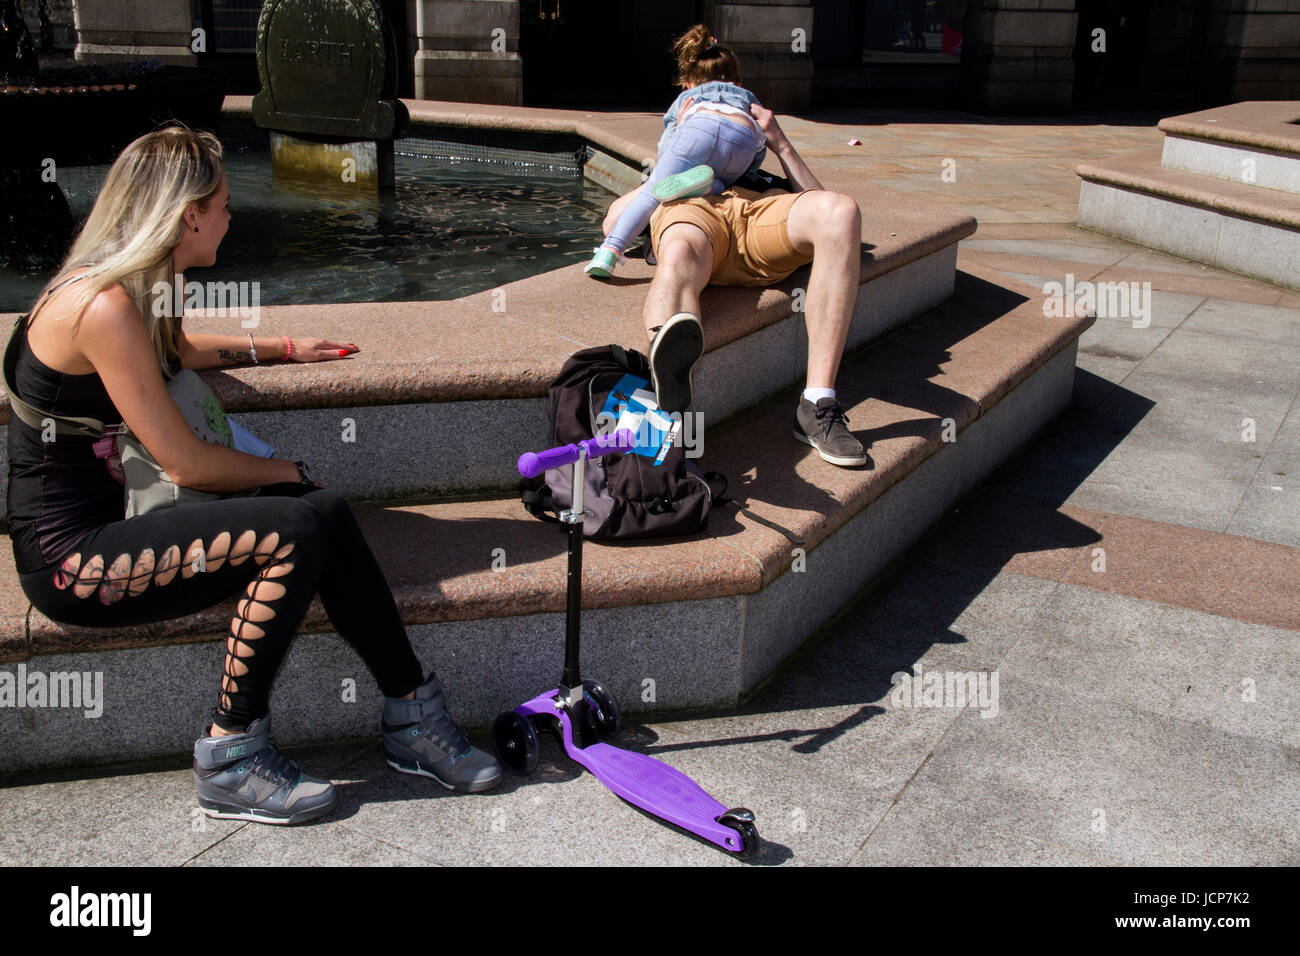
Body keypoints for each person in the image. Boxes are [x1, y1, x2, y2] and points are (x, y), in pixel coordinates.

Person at [4, 124, 503, 825]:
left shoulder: (139, 285)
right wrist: (283, 468)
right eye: (225, 203)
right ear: (188, 216)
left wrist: (282, 347)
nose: (232, 216)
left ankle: (410, 715)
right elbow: (184, 460)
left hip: (117, 527)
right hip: (73, 564)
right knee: (295, 525)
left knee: (322, 509)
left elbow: (176, 349)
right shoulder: (104, 306)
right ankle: (231, 754)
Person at [605, 55, 868, 466]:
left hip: (756, 217)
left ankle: (817, 404)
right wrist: (670, 165)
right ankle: (668, 401)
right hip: (694, 218)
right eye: (707, 87)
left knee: (842, 212)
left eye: (729, 84)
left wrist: (779, 142)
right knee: (676, 252)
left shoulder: (756, 155)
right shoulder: (673, 167)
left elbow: (816, 200)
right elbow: (612, 224)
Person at [584, 25, 767, 282]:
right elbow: (760, 144)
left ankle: (609, 252)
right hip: (743, 140)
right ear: (737, 81)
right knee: (722, 179)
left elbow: (667, 147)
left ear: (688, 83)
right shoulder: (747, 97)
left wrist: (679, 134)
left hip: (697, 128)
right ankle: (705, 186)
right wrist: (749, 166)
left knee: (653, 191)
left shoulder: (690, 98)